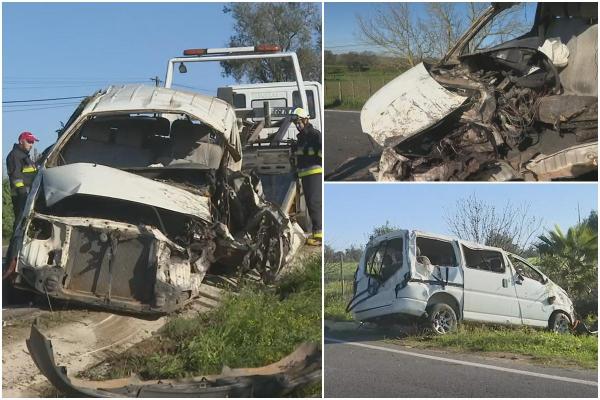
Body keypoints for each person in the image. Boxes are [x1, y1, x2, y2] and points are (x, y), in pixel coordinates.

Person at [291, 107, 322, 246]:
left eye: (299, 122)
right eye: (295, 123)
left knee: (314, 203)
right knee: (310, 204)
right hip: (304, 174)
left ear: (305, 120)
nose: (297, 125)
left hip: (314, 172)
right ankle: (316, 233)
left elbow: (321, 152)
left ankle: (319, 236)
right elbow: (299, 156)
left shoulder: (314, 134)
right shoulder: (300, 138)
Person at [6, 131, 39, 230]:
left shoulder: (24, 156)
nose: (31, 144)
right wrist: (22, 192)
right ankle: (15, 244)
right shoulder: (15, 155)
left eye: (33, 142)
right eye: (29, 141)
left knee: (25, 224)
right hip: (21, 195)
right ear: (21, 141)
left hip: (27, 194)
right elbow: (16, 177)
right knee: (20, 223)